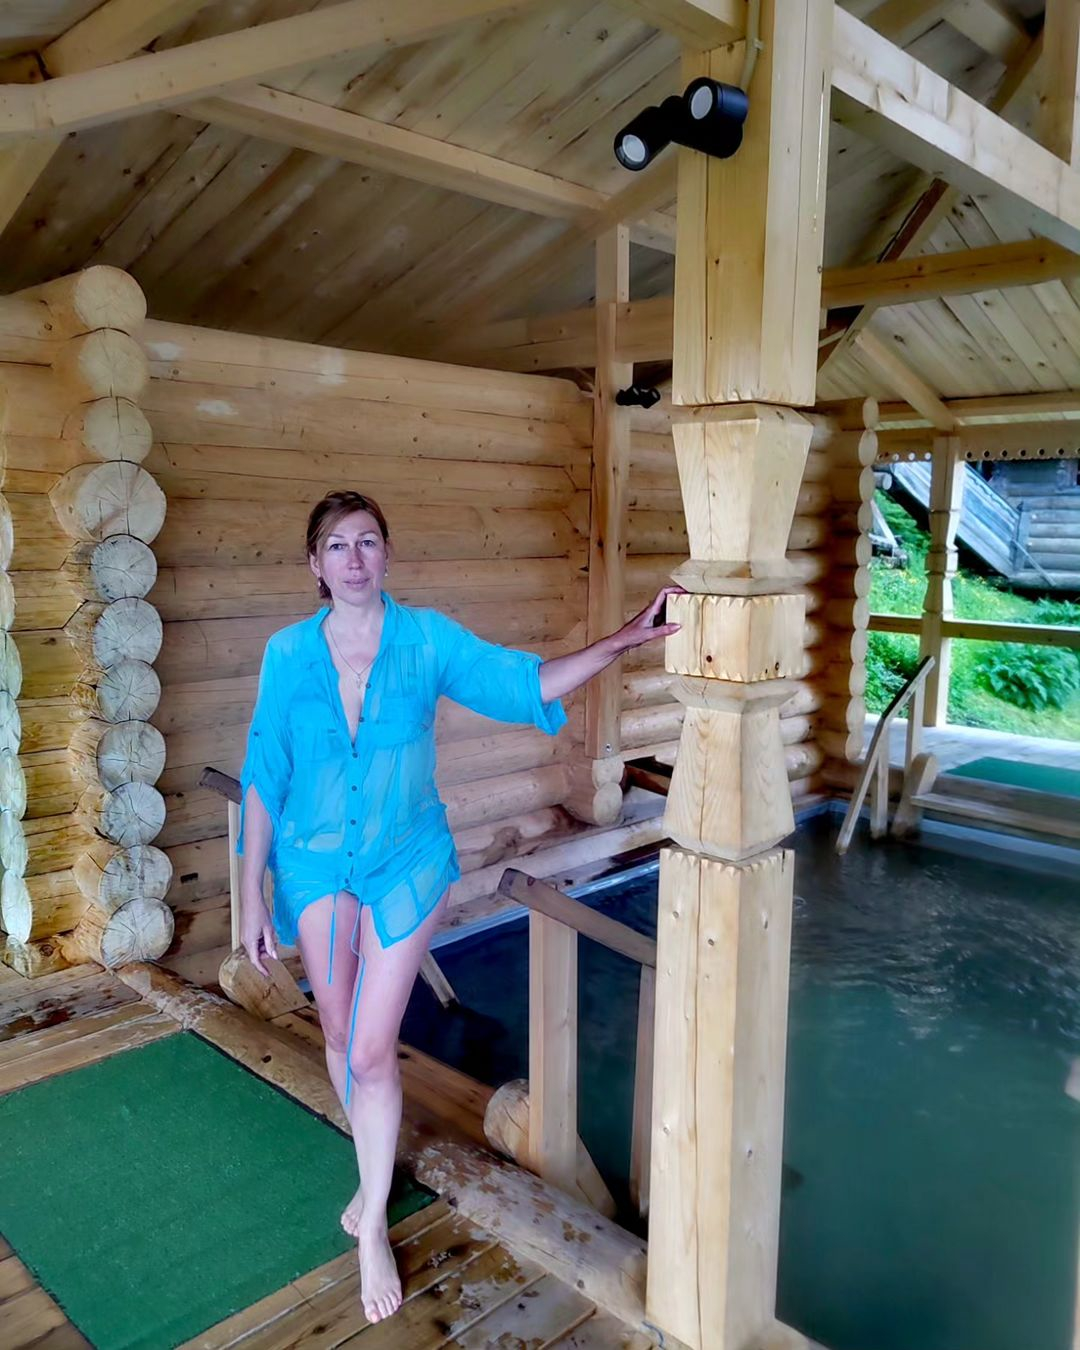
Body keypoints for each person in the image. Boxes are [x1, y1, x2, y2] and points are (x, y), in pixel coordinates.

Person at [238, 488, 682, 1324]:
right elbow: (264, 771)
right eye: (338, 545)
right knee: (337, 1034)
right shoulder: (287, 654)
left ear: (387, 554)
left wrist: (626, 637)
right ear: (315, 564)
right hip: (314, 863)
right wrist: (251, 893)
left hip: (405, 863)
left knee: (372, 1049)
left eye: (369, 541)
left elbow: (524, 683)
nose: (355, 558)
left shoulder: (427, 639)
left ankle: (372, 1221)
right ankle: (370, 1169)